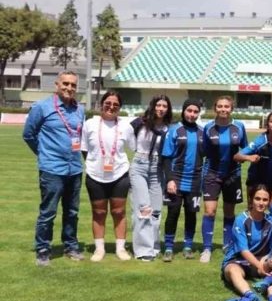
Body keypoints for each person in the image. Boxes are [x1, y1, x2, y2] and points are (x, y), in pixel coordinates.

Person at [23, 71, 86, 265]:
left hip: (75, 168)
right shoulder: (41, 107)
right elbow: (28, 134)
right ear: (57, 85)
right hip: (52, 169)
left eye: (73, 85)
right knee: (48, 212)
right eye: (65, 83)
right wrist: (43, 154)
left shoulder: (80, 109)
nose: (69, 88)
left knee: (72, 211)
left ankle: (71, 246)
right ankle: (43, 249)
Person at [81, 91, 134, 261]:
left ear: (120, 107)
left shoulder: (126, 126)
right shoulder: (90, 124)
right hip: (95, 175)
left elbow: (134, 148)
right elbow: (84, 148)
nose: (111, 107)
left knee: (119, 212)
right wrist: (95, 164)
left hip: (119, 174)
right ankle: (99, 249)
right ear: (101, 104)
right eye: (108, 103)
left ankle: (120, 248)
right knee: (99, 212)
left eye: (116, 105)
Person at [200, 96, 248, 263]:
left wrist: (244, 158)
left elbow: (245, 149)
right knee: (210, 211)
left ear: (231, 109)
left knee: (229, 212)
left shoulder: (239, 127)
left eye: (226, 106)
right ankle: (207, 248)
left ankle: (227, 245)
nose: (223, 109)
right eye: (220, 106)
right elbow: (205, 151)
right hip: (212, 174)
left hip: (233, 174)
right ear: (215, 108)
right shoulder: (208, 128)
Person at [129, 95, 172, 261]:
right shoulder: (140, 123)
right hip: (139, 164)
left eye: (164, 106)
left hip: (157, 167)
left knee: (156, 210)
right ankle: (143, 250)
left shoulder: (168, 128)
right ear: (153, 106)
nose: (161, 109)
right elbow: (128, 140)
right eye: (158, 105)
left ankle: (154, 246)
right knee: (143, 208)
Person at [161, 99, 204, 262]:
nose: (192, 114)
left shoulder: (202, 132)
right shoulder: (174, 130)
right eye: (189, 110)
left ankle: (188, 246)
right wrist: (170, 180)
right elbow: (166, 157)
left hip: (195, 180)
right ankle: (169, 248)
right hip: (176, 179)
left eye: (195, 111)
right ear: (184, 111)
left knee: (191, 214)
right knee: (173, 213)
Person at [221, 185, 272, 301]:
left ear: (269, 202)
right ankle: (250, 295)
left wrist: (267, 259)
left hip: (259, 260)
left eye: (265, 200)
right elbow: (244, 251)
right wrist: (260, 266)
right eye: (257, 199)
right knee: (233, 271)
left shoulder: (271, 221)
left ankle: (265, 284)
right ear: (251, 199)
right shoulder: (241, 220)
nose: (261, 203)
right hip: (237, 260)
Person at [235, 111, 272, 204]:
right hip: (256, 181)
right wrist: (249, 157)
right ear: (267, 126)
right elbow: (237, 156)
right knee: (254, 210)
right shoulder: (260, 141)